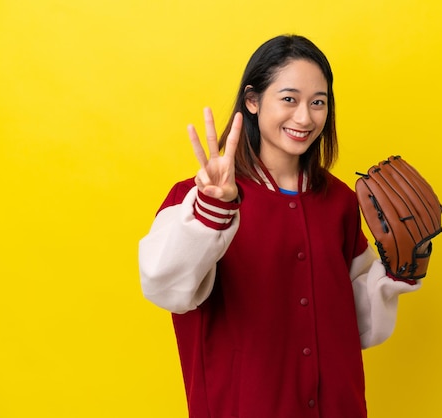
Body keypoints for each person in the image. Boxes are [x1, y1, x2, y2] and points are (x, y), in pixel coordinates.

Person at [139, 34, 424, 418]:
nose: (305, 118)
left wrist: (398, 272)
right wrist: (211, 210)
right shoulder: (196, 199)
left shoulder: (339, 201)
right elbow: (164, 287)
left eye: (318, 103)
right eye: (289, 99)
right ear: (253, 101)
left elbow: (357, 327)